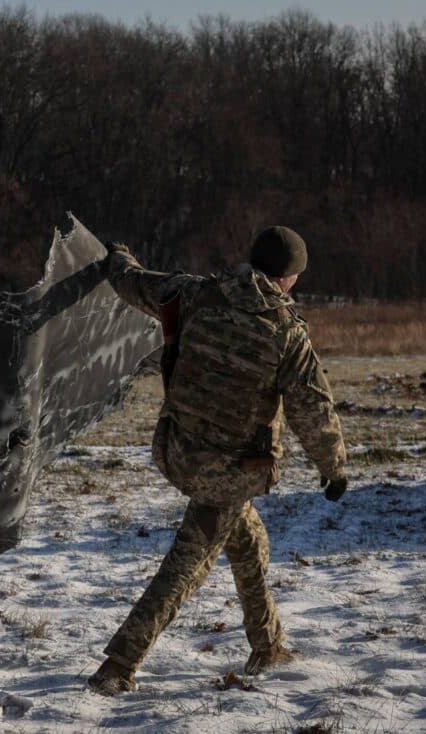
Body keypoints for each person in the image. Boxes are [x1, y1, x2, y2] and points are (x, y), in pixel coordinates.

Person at [88, 226, 348, 695]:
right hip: (231, 472)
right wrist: (334, 469)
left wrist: (116, 259)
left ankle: (267, 645)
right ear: (288, 277)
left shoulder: (195, 293)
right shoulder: (286, 332)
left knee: (248, 540)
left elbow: (137, 283)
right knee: (188, 565)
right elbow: (314, 410)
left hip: (179, 451)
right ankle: (118, 665)